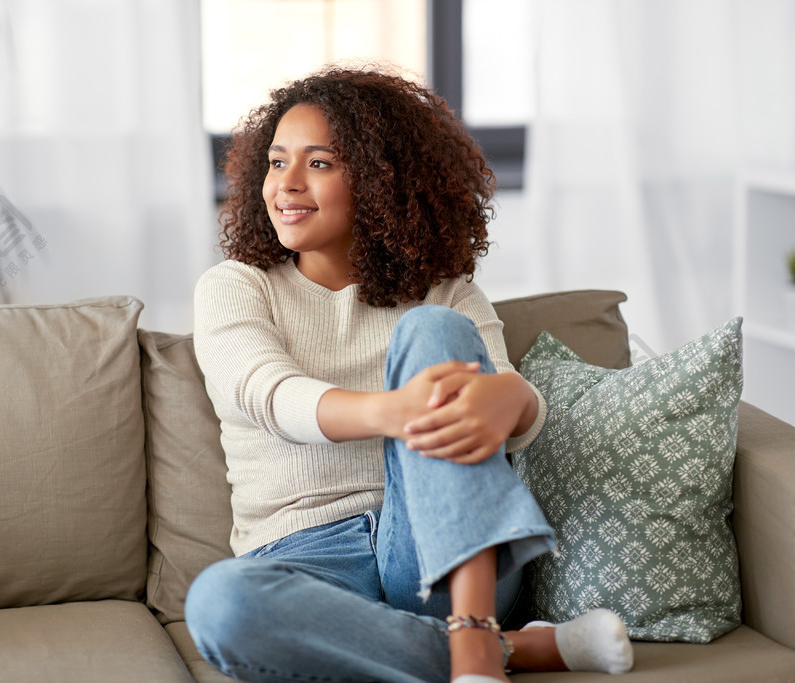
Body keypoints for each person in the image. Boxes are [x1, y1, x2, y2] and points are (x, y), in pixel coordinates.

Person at [185, 66, 634, 683]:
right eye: (276, 161)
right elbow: (268, 395)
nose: (286, 184)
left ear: (378, 180)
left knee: (432, 331)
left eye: (319, 164)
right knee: (220, 603)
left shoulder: (448, 294)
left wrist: (516, 397)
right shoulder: (234, 289)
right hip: (306, 564)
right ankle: (507, 651)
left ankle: (474, 628)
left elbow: (506, 419)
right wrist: (387, 411)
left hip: (441, 553)